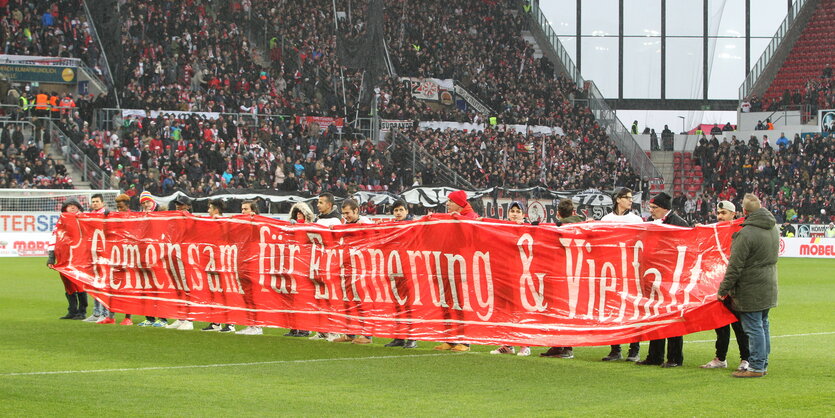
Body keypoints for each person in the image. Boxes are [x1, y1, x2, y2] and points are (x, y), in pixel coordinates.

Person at [717, 194, 779, 378]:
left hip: (750, 287)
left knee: (753, 328)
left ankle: (756, 367)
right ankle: (762, 363)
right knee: (763, 325)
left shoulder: (746, 233)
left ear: (744, 212)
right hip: (768, 284)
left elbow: (735, 266)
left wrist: (723, 289)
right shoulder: (773, 227)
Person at [636, 192, 689, 368]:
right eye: (650, 207)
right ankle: (655, 356)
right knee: (656, 316)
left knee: (672, 318)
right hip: (656, 277)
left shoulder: (679, 224)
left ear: (664, 208)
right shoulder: (654, 223)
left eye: (654, 208)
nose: (651, 211)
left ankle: (674, 358)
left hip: (672, 279)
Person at [700, 201, 750, 371]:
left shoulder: (741, 232)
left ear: (733, 215)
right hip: (716, 287)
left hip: (736, 288)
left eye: (723, 213)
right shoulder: (713, 232)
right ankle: (720, 358)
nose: (719, 216)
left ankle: (746, 359)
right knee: (720, 326)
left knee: (739, 326)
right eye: (718, 213)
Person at [598, 188, 643, 362]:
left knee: (633, 310)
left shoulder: (636, 220)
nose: (631, 201)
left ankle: (634, 349)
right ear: (618, 199)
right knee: (613, 309)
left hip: (631, 271)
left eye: (632, 198)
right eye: (628, 198)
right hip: (611, 271)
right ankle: (615, 348)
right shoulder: (606, 220)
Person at [540, 199, 585, 359]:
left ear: (557, 213)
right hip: (576, 273)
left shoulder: (558, 228)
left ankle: (566, 347)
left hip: (561, 274)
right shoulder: (583, 226)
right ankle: (559, 345)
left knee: (560, 310)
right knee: (564, 310)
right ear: (573, 212)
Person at [434, 190, 478, 352]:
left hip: (462, 265)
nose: (447, 204)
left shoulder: (471, 217)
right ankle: (449, 338)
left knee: (461, 303)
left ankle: (464, 341)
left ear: (459, 204)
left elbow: (469, 237)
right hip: (447, 263)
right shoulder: (451, 216)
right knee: (446, 301)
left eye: (450, 201)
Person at [491, 201, 533, 357]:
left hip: (522, 276)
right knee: (505, 311)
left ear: (523, 215)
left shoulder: (529, 229)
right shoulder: (502, 229)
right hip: (504, 275)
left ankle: (525, 345)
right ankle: (507, 344)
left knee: (521, 311)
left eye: (518, 211)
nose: (514, 214)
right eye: (512, 211)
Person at [332, 199, 375, 345]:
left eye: (348, 213)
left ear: (356, 211)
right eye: (343, 213)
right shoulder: (345, 225)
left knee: (363, 301)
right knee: (348, 301)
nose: (345, 216)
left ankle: (367, 335)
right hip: (348, 269)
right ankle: (349, 333)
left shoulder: (365, 223)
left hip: (363, 269)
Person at [309, 193, 344, 341]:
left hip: (330, 263)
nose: (318, 205)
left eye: (321, 202)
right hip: (317, 262)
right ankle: (322, 330)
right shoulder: (319, 219)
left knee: (331, 298)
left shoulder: (335, 220)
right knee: (319, 297)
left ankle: (334, 330)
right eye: (318, 202)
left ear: (329, 205)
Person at [384, 200, 418, 349]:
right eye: (395, 210)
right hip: (394, 270)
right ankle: (399, 337)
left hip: (409, 270)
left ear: (406, 212)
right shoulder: (391, 227)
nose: (398, 213)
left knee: (409, 305)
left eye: (400, 210)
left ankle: (412, 337)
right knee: (397, 304)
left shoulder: (412, 227)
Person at [48, 198, 88, 320]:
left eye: (74, 205)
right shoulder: (60, 223)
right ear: (64, 208)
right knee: (68, 285)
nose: (71, 207)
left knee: (79, 283)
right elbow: (53, 240)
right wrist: (51, 258)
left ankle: (82, 312)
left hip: (78, 258)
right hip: (62, 258)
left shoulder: (84, 220)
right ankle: (72, 311)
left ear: (79, 208)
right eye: (69, 205)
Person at [201, 199, 235, 333]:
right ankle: (216, 322)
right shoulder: (209, 223)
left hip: (224, 262)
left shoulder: (226, 222)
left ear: (216, 210)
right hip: (212, 262)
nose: (208, 211)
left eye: (210, 208)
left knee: (227, 293)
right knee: (215, 293)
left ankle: (231, 323)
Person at [136, 191, 169, 327]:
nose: (146, 205)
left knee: (159, 289)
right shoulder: (140, 216)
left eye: (147, 202)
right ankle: (149, 318)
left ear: (152, 201)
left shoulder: (162, 214)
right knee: (146, 289)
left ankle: (163, 319)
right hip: (145, 258)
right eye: (143, 203)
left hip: (159, 258)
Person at [284, 202, 315, 338]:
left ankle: (305, 327)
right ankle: (294, 326)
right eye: (296, 213)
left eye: (300, 213)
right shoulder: (290, 229)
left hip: (305, 268)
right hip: (292, 267)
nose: (298, 216)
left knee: (303, 299)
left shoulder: (312, 228)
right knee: (291, 299)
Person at [166, 195, 195, 330]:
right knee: (178, 288)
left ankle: (189, 319)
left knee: (187, 288)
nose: (178, 206)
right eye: (177, 204)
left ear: (188, 206)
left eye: (181, 204)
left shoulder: (193, 220)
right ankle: (181, 317)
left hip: (187, 258)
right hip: (175, 257)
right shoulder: (174, 220)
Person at [237, 200, 265, 336]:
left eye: (245, 209)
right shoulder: (241, 225)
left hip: (254, 265)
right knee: (246, 295)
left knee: (254, 296)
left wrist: (254, 220)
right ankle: (251, 324)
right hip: (243, 264)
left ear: (253, 211)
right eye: (242, 209)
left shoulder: (258, 224)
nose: (243, 212)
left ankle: (257, 326)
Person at [87, 193, 115, 324]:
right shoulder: (90, 215)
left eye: (97, 201)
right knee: (95, 284)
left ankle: (105, 313)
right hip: (94, 254)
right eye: (93, 201)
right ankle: (96, 312)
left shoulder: (108, 215)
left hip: (105, 254)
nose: (95, 203)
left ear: (103, 203)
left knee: (104, 284)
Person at [113, 194, 136, 325]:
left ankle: (128, 317)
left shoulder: (133, 217)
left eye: (120, 206)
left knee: (128, 286)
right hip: (116, 255)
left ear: (127, 205)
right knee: (115, 285)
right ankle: (111, 315)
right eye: (117, 206)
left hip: (130, 256)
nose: (118, 208)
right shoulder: (114, 216)